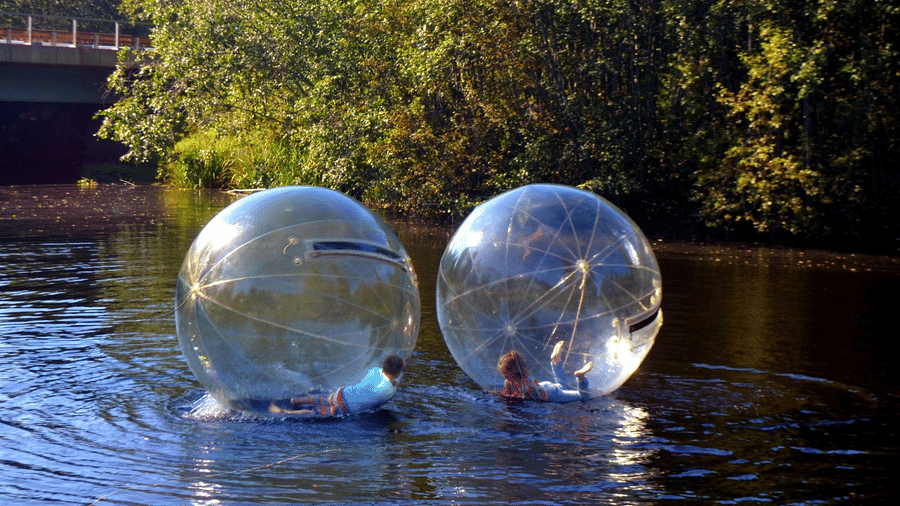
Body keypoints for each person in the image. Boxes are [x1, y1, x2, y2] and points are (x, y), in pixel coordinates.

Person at [269, 354, 407, 417]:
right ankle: (284, 412)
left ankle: (295, 401)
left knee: (324, 398)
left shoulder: (375, 371)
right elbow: (392, 386)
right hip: (344, 407)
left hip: (343, 393)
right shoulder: (389, 391)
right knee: (315, 412)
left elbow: (380, 380)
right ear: (396, 373)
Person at [498, 340, 593, 402]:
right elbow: (507, 395)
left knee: (582, 396)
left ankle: (581, 378)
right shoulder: (527, 378)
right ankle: (556, 362)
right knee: (564, 386)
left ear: (511, 372)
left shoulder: (521, 383)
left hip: (552, 395)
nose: (503, 375)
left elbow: (532, 396)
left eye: (504, 373)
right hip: (546, 386)